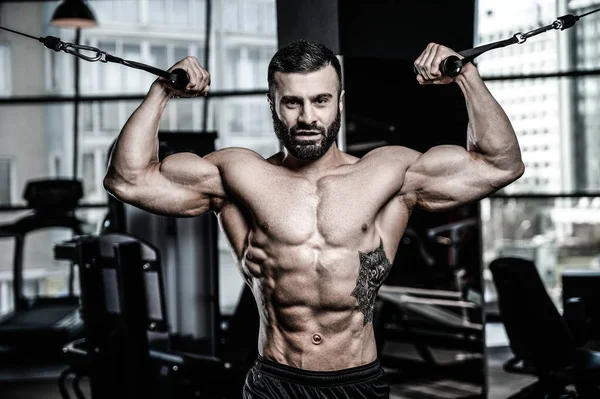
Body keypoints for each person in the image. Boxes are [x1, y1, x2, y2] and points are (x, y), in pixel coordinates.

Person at [103, 39, 524, 398]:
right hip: (276, 380)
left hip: (358, 380)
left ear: (339, 100)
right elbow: (129, 180)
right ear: (273, 103)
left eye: (321, 100)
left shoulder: (389, 172)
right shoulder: (237, 174)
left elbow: (499, 165)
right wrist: (161, 91)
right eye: (292, 101)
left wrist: (466, 76)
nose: (307, 118)